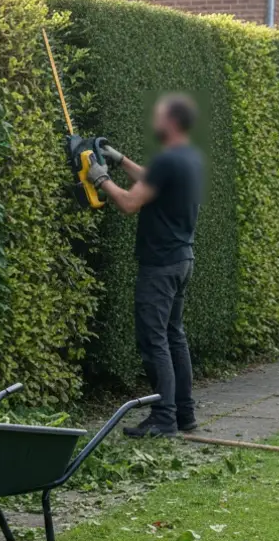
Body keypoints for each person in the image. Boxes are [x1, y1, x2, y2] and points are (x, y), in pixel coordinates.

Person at [87, 94, 204, 438]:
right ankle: (184, 414)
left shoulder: (170, 160)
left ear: (170, 122)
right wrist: (120, 160)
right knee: (174, 336)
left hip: (160, 265)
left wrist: (100, 178)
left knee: (155, 341)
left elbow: (129, 202)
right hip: (182, 260)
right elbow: (154, 180)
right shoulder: (189, 159)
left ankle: (163, 418)